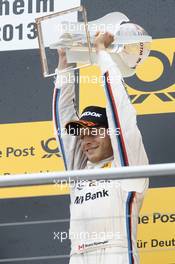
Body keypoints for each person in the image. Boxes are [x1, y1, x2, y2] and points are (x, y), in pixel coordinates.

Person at [53, 32, 149, 264]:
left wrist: (101, 54)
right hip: (78, 256)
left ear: (112, 133)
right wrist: (64, 63)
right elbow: (62, 117)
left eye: (95, 132)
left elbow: (120, 110)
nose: (86, 141)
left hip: (116, 254)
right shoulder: (78, 171)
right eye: (83, 135)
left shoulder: (128, 166)